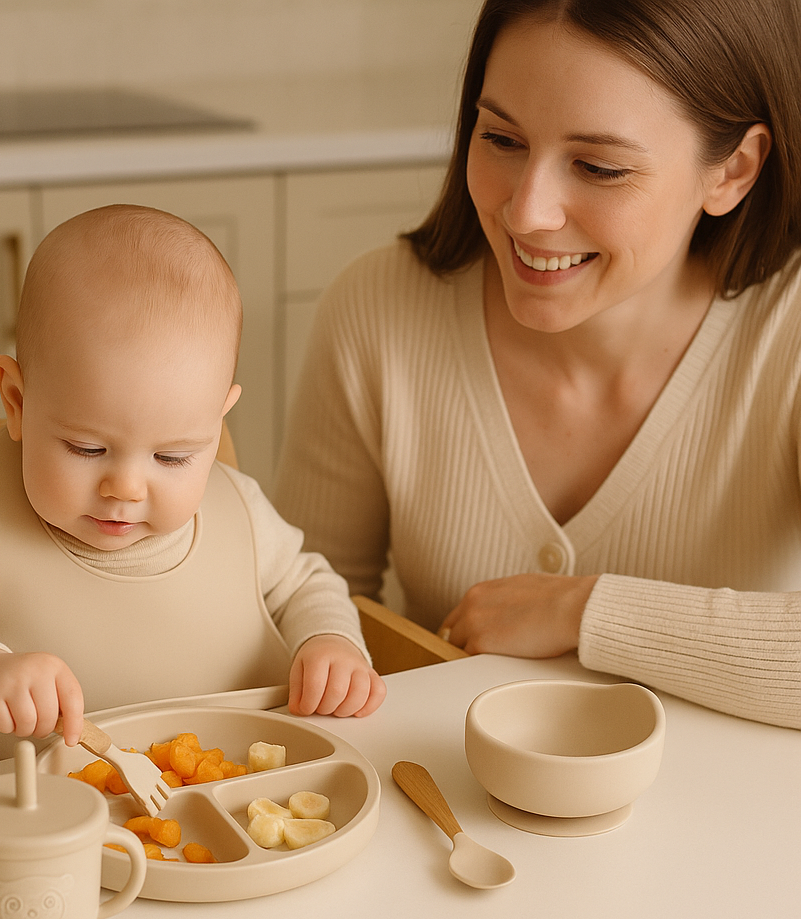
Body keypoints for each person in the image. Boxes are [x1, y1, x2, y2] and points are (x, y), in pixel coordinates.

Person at [275, 0, 801, 730]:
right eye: (501, 138)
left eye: (599, 166)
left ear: (733, 172)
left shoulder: (788, 333)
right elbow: (291, 609)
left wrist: (585, 610)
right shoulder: (378, 310)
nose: (526, 212)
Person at [0, 205, 384, 775]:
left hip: (221, 795)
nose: (126, 487)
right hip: (15, 817)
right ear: (16, 401)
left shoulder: (242, 514)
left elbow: (306, 583)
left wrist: (331, 642)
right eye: (87, 449)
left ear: (218, 420)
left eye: (172, 456)